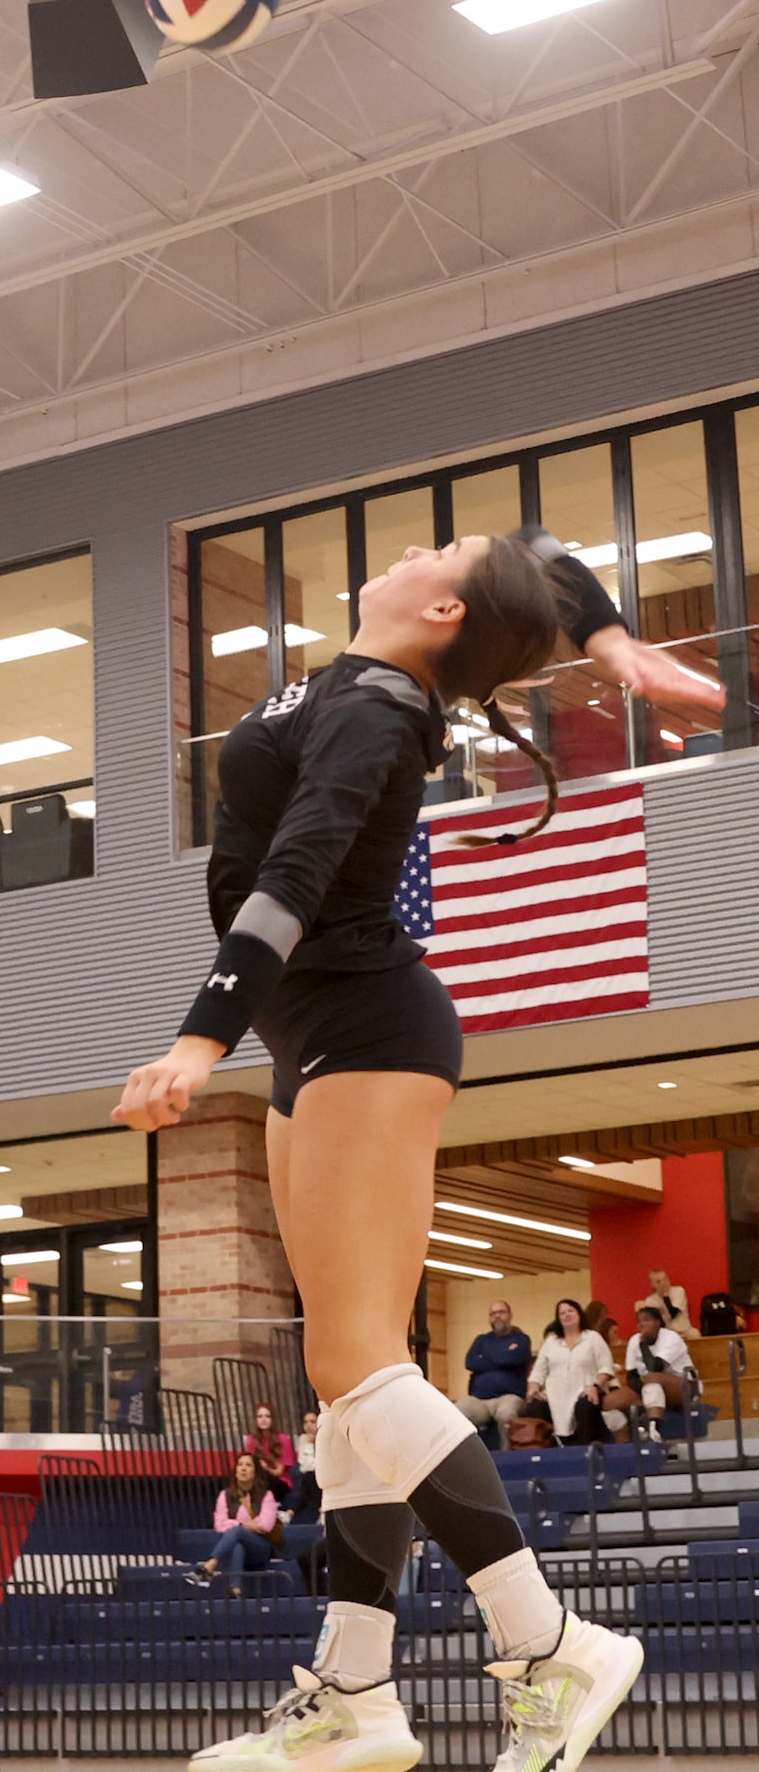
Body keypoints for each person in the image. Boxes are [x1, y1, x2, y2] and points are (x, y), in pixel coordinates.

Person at [113, 522, 721, 1772]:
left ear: (442, 612)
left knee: (353, 1360)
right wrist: (613, 644)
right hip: (315, 1040)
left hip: (362, 1025)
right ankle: (356, 1693)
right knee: (346, 1384)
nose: (407, 544)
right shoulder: (379, 669)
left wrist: (195, 1039)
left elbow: (295, 866)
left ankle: (546, 1638)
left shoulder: (384, 705)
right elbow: (542, 561)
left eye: (436, 548)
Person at [529, 1300, 616, 1447]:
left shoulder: (593, 1338)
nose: (566, 1315)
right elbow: (538, 1371)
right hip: (554, 1394)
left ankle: (584, 1452)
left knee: (585, 1406)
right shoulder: (551, 1341)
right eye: (562, 1313)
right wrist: (534, 1388)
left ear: (579, 1314)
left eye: (570, 1311)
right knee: (535, 1407)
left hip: (587, 1390)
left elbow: (606, 1367)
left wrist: (595, 1386)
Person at [192, 1453, 282, 1589]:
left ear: (255, 1471)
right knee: (237, 1544)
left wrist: (236, 1525)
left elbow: (265, 1526)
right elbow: (220, 1525)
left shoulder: (266, 1495)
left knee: (237, 1532)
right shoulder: (225, 1495)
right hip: (236, 1545)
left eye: (248, 1465)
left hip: (261, 1547)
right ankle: (236, 1589)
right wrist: (244, 1524)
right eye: (240, 1465)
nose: (243, 1468)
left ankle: (210, 1565)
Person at [457, 1298, 535, 1441]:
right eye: (493, 1313)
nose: (497, 1316)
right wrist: (503, 1355)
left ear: (510, 1315)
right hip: (480, 1400)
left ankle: (509, 1458)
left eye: (501, 1312)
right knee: (458, 1411)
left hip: (509, 1397)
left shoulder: (521, 1339)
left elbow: (513, 1358)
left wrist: (486, 1357)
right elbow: (470, 1362)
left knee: (506, 1414)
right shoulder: (481, 1340)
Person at [624, 1304, 696, 1423]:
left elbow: (655, 1367)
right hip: (649, 1387)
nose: (642, 1324)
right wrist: (644, 1390)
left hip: (683, 1384)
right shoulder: (633, 1340)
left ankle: (654, 1425)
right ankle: (625, 1440)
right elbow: (631, 1377)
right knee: (613, 1400)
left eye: (647, 1320)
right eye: (638, 1321)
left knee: (652, 1378)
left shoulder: (671, 1337)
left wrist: (643, 1345)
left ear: (658, 1322)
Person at [243, 1402, 296, 1505]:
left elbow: (279, 1472)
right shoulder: (251, 1440)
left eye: (267, 1416)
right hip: (258, 1480)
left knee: (263, 1477)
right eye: (260, 1416)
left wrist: (266, 1467)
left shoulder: (283, 1439)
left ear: (273, 1420)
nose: (263, 1419)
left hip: (279, 1482)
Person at [291, 1408, 322, 1525]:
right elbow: (304, 1464)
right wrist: (309, 1443)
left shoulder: (325, 1438)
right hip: (310, 1477)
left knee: (310, 1477)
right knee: (308, 1477)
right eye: (305, 1422)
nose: (308, 1425)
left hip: (323, 1476)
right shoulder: (303, 1439)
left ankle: (291, 1512)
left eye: (312, 1422)